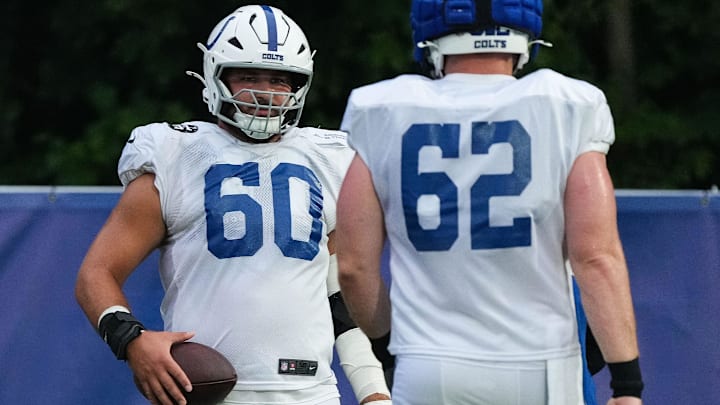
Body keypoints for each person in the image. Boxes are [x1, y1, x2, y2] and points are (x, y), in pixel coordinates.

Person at [75, 5, 391, 405]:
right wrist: (132, 341)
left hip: (311, 393)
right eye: (248, 76)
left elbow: (339, 294)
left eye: (279, 79)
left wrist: (372, 390)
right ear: (215, 75)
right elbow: (96, 273)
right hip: (205, 396)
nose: (265, 91)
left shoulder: (330, 158)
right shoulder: (176, 155)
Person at [335, 0, 643, 404]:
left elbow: (354, 267)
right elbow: (596, 256)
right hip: (541, 365)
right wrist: (627, 384)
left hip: (430, 364)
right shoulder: (567, 105)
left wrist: (389, 346)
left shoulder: (382, 110)